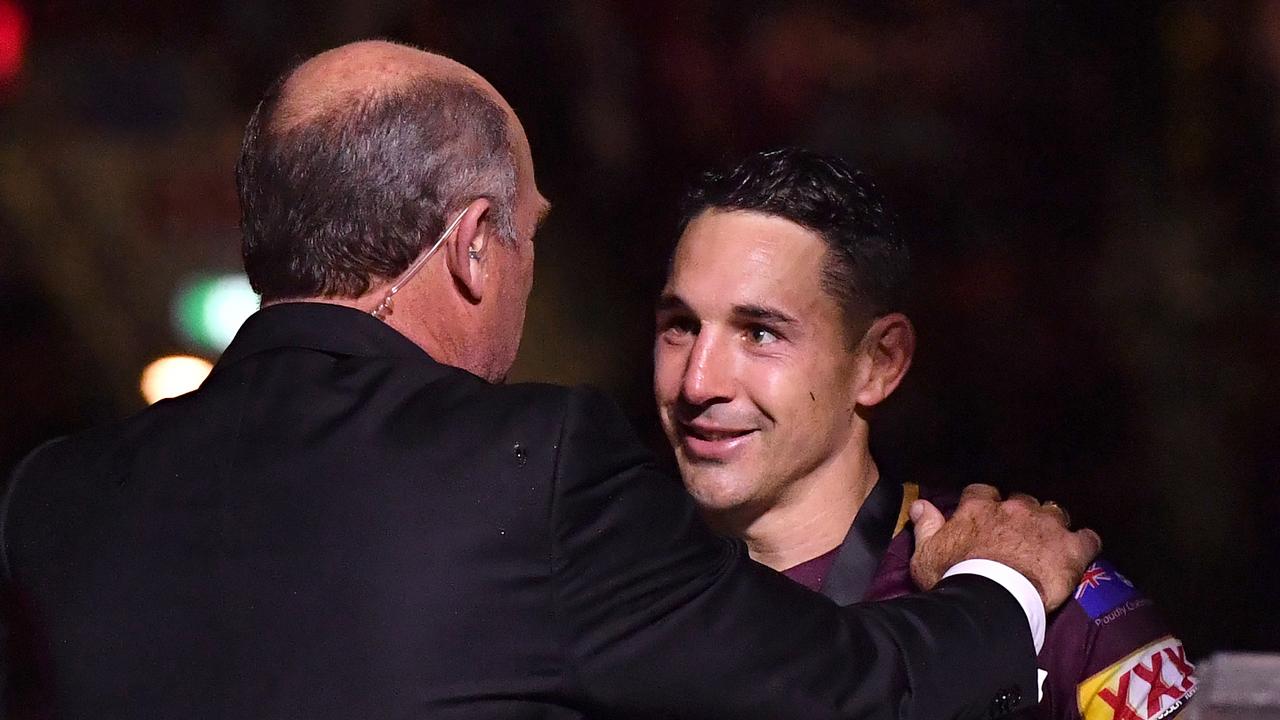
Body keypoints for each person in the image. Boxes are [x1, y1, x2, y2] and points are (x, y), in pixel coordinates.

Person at [0, 41, 1098, 719]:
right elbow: (852, 693)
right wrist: (1000, 586)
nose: (701, 377)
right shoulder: (527, 472)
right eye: (526, 238)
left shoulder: (51, 498)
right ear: (474, 246)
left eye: (759, 330)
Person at [653, 147, 1197, 720]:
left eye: (760, 333)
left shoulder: (1044, 594)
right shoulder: (597, 586)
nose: (697, 382)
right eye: (681, 326)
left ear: (879, 363)